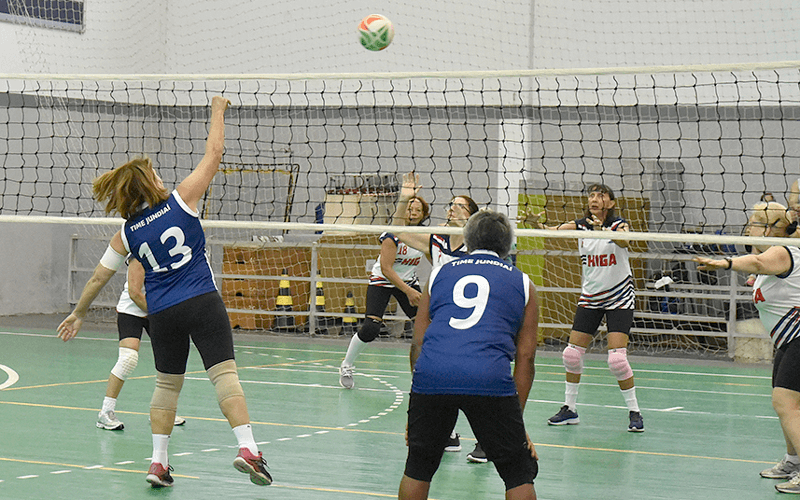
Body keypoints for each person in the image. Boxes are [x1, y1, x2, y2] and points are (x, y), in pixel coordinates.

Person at [56, 96, 272, 489]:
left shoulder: (127, 233)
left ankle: (158, 463)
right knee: (224, 375)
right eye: (155, 174)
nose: (160, 177)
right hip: (202, 301)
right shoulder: (182, 199)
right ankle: (248, 449)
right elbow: (215, 151)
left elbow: (97, 279)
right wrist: (218, 111)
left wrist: (80, 313)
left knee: (166, 385)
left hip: (163, 312)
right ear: (150, 184)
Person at [398, 210, 539, 500]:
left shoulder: (438, 275)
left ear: (468, 241)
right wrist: (516, 423)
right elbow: (525, 358)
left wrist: (418, 402)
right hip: (488, 376)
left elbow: (419, 344)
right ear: (508, 245)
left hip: (433, 375)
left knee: (418, 467)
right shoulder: (524, 283)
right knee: (517, 473)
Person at [693, 201, 800, 494]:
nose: (748, 227)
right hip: (788, 341)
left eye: (753, 222)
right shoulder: (778, 253)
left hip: (799, 338)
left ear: (767, 228)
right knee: (786, 405)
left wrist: (726, 263)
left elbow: (758, 263)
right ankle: (792, 461)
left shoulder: (782, 251)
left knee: (784, 403)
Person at [521, 183, 644, 432]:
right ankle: (569, 408)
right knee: (571, 354)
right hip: (590, 297)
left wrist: (604, 231)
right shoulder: (581, 225)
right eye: (591, 195)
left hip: (619, 297)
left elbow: (625, 243)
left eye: (600, 195)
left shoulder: (618, 225)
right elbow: (551, 231)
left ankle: (635, 412)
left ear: (610, 202)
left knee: (617, 361)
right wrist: (535, 224)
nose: (594, 199)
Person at [393, 173, 485, 459]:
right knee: (419, 356)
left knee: (473, 380)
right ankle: (447, 433)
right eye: (451, 204)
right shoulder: (437, 242)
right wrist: (404, 198)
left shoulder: (480, 248)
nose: (452, 208)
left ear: (471, 216)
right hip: (439, 319)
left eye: (459, 206)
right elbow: (396, 230)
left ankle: (485, 439)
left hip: (471, 323)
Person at [59, 256, 186, 431]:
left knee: (169, 359)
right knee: (128, 359)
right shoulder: (139, 253)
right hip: (133, 309)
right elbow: (135, 293)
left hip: (158, 307)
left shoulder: (173, 252)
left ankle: (161, 410)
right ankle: (105, 413)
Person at [338, 194, 430, 389]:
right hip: (383, 280)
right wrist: (408, 292)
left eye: (418, 210)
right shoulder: (392, 235)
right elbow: (387, 269)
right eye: (409, 208)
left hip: (408, 281)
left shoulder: (425, 236)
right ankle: (346, 365)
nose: (413, 213)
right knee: (371, 328)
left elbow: (434, 258)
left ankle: (423, 374)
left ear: (423, 215)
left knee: (425, 327)